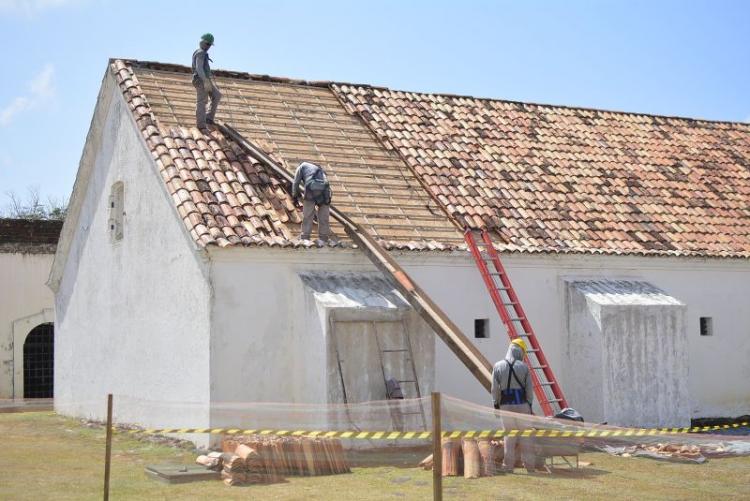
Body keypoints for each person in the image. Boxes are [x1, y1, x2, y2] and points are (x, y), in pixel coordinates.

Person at [491, 338, 536, 473]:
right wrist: (529, 405)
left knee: (509, 438)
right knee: (526, 437)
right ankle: (529, 467)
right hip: (522, 405)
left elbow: (494, 389)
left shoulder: (498, 366)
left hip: (506, 407)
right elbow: (529, 390)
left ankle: (508, 467)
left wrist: (496, 404)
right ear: (521, 352)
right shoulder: (524, 367)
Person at [291, 161, 331, 242]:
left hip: (311, 191)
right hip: (325, 192)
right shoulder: (320, 170)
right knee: (324, 216)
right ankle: (323, 237)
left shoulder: (301, 166)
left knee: (308, 214)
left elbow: (296, 183)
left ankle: (305, 236)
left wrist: (295, 196)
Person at [192, 33, 222, 129]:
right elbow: (199, 68)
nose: (208, 47)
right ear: (202, 42)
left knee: (216, 95)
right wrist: (205, 80)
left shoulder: (203, 52)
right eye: (207, 44)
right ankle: (201, 125)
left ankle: (208, 118)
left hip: (205, 80)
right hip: (201, 80)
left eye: (210, 45)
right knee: (202, 101)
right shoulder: (200, 52)